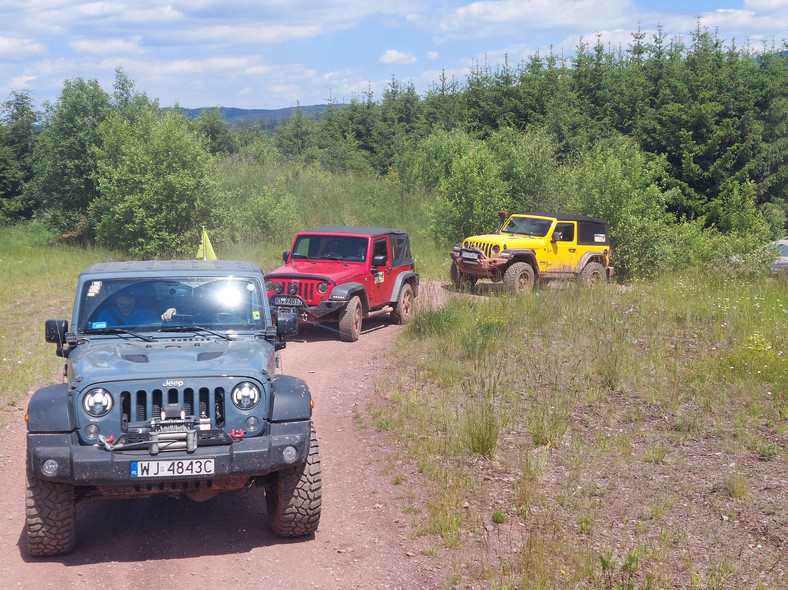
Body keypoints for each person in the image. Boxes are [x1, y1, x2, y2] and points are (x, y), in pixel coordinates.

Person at [95, 293, 176, 326]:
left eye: (130, 304)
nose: (126, 308)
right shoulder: (104, 315)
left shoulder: (149, 314)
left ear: (135, 302)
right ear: (115, 303)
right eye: (121, 304)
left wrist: (172, 311)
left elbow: (170, 324)